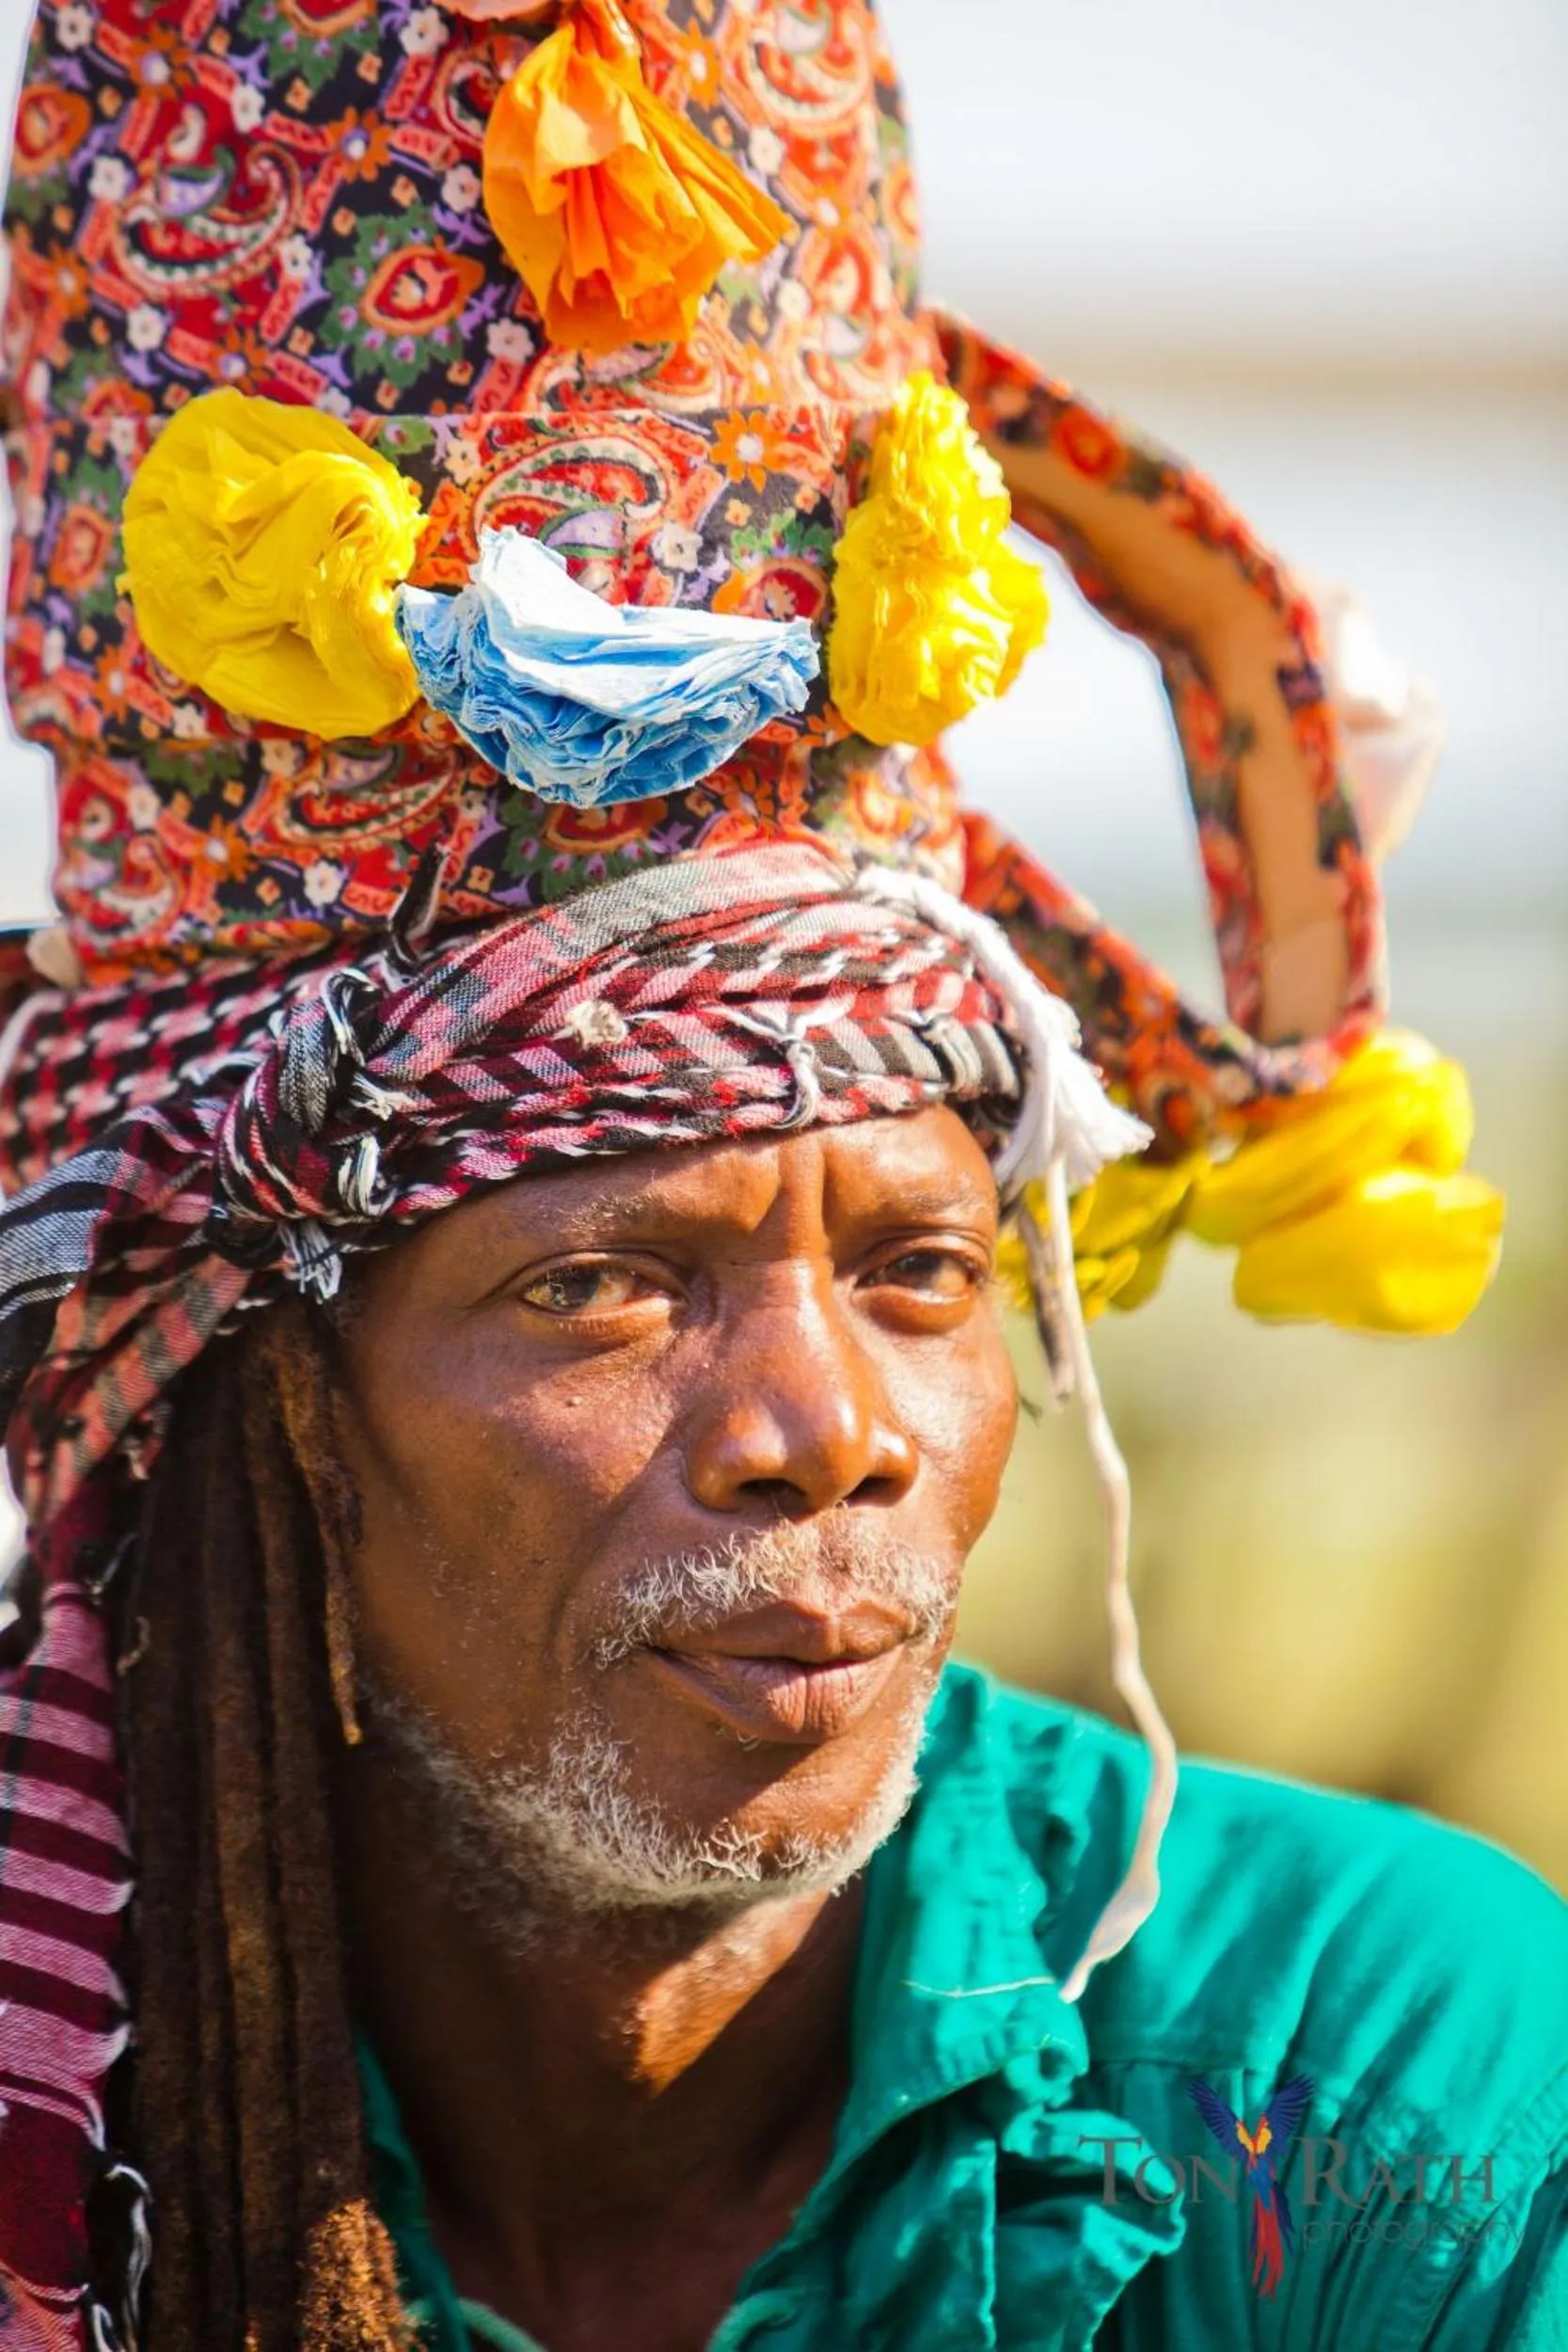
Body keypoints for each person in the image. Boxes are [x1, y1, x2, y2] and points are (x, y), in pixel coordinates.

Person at [0, 1, 1558, 2347]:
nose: (824, 1422)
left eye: (921, 1264)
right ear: (275, 1389)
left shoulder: (1369, 2075)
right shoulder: (76, 2108)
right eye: (607, 1285)